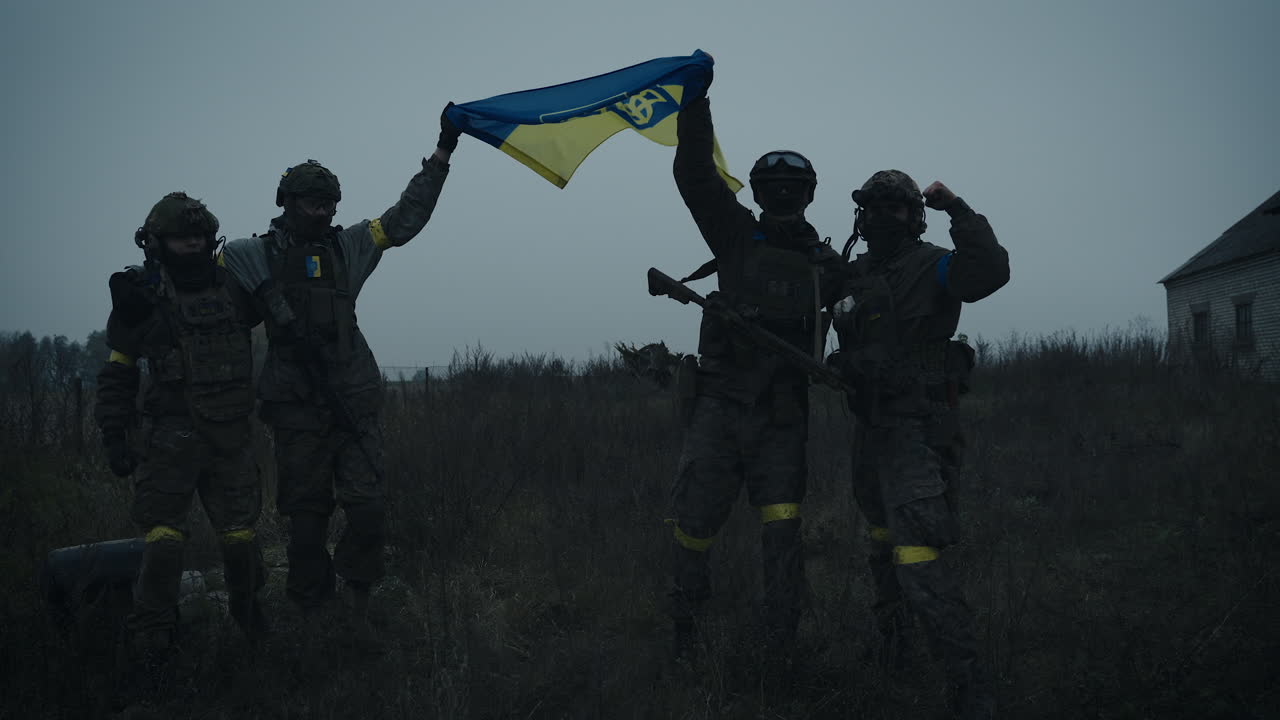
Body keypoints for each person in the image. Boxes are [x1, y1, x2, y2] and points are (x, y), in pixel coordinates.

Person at [219, 108, 461, 633]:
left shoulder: (349, 245)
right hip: (295, 407)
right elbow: (220, 318)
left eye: (330, 202)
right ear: (288, 202)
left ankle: (358, 605)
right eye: (313, 201)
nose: (323, 210)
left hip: (353, 400)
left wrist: (441, 157)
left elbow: (405, 218)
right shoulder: (253, 257)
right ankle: (313, 616)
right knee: (306, 523)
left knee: (369, 510)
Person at [665, 85, 849, 669]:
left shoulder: (829, 265)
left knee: (782, 531)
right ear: (764, 193)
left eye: (791, 190)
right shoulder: (735, 234)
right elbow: (694, 173)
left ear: (805, 194)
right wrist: (695, 100)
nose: (784, 196)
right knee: (694, 525)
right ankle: (684, 636)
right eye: (775, 189)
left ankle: (781, 646)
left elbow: (861, 327)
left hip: (782, 414)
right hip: (720, 406)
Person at [831, 169, 1009, 719]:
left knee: (919, 550)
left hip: (918, 429)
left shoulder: (935, 263)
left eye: (896, 207)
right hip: (871, 427)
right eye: (872, 206)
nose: (882, 216)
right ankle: (891, 645)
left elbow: (989, 271)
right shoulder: (853, 271)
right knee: (882, 540)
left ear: (915, 215)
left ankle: (968, 684)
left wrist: (957, 207)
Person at [95, 191, 267, 696]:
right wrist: (113, 432)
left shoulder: (238, 288)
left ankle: (255, 636)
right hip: (170, 439)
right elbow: (118, 373)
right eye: (180, 236)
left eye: (199, 235)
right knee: (164, 543)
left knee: (240, 540)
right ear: (157, 241)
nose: (192, 243)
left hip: (231, 438)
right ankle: (153, 649)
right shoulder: (140, 297)